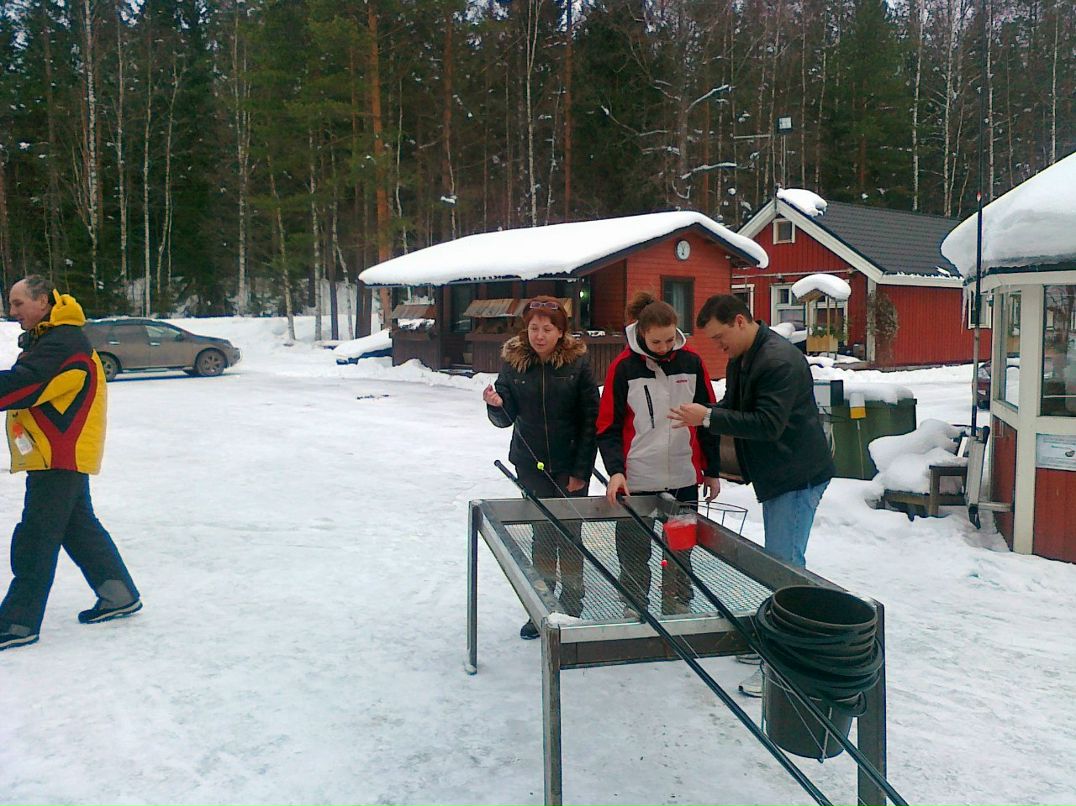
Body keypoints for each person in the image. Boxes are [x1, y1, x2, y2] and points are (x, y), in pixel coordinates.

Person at [669, 294, 834, 695]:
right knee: (778, 562)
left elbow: (768, 423)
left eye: (721, 337)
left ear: (740, 321)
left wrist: (707, 416)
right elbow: (735, 404)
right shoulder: (745, 354)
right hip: (778, 474)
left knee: (785, 567)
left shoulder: (777, 361)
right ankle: (774, 643)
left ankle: (784, 664)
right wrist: (706, 415)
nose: (717, 346)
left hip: (797, 476)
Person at [0, 276, 142, 652]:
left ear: (43, 301)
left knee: (36, 537)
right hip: (59, 454)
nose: (11, 312)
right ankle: (118, 594)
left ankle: (17, 622)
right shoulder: (53, 339)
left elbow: (24, 386)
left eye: (18, 304)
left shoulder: (63, 343)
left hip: (58, 455)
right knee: (79, 529)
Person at [597, 291, 720, 617]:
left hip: (682, 476)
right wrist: (616, 471)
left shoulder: (691, 362)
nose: (664, 348)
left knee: (680, 549)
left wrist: (712, 470)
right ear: (641, 334)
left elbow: (709, 418)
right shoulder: (623, 368)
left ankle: (678, 601)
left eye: (669, 340)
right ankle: (634, 603)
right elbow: (607, 426)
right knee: (634, 549)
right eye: (656, 342)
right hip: (637, 478)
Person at [484, 296, 599, 639]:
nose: (539, 335)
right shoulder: (514, 363)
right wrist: (495, 406)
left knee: (570, 535)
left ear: (561, 332)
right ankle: (544, 607)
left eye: (547, 328)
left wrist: (582, 470)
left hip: (570, 463)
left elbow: (590, 419)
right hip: (530, 463)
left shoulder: (578, 365)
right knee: (542, 535)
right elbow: (505, 418)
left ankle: (573, 605)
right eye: (534, 328)